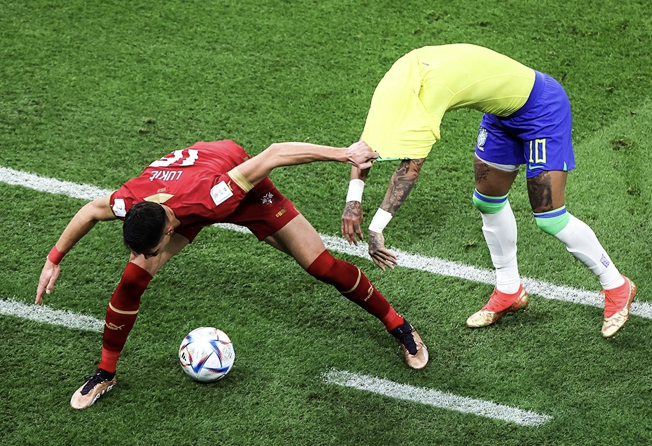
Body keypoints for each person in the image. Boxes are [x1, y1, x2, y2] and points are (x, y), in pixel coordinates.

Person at [36, 139, 428, 410]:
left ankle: (399, 325)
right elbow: (90, 211)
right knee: (132, 280)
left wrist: (345, 154)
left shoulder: (213, 194)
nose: (149, 256)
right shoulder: (128, 202)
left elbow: (274, 153)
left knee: (321, 265)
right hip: (183, 193)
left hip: (237, 186)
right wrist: (54, 258)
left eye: (153, 248)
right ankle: (105, 373)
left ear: (169, 230)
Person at [341, 43, 636, 338]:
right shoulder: (392, 85)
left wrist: (376, 228)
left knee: (550, 217)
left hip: (542, 108)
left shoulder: (430, 97)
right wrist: (353, 202)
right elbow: (363, 150)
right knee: (488, 201)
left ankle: (616, 285)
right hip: (500, 116)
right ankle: (509, 290)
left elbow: (410, 169)